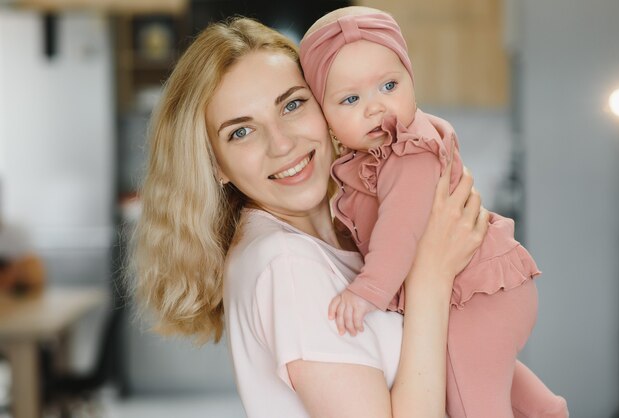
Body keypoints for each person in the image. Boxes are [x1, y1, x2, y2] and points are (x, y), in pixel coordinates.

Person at [132, 16, 488, 418]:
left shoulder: (353, 235)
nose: (282, 144)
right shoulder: (286, 264)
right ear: (216, 165)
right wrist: (431, 280)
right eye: (241, 132)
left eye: (293, 104)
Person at [299, 6, 568, 418]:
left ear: (411, 80)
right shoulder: (373, 157)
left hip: (476, 294)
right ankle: (544, 409)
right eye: (351, 98)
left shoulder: (410, 153)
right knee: (478, 368)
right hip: (477, 296)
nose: (375, 107)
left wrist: (367, 290)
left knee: (471, 403)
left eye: (389, 85)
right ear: (326, 118)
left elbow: (400, 230)